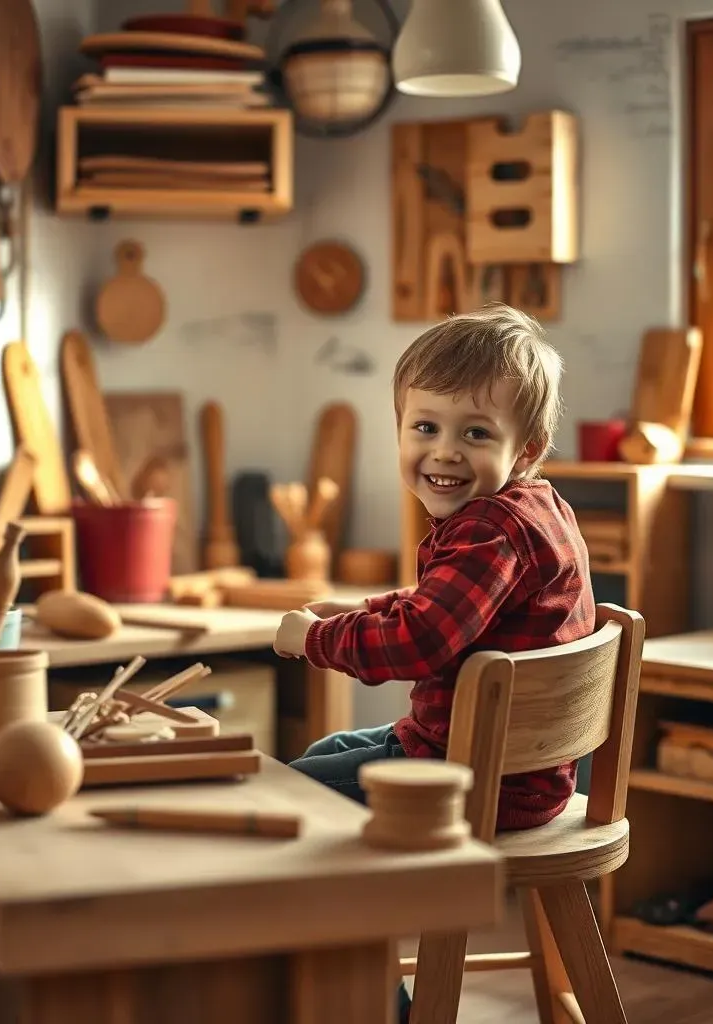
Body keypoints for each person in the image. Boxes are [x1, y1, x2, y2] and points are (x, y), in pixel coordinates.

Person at [273, 303, 596, 1022]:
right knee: (326, 754)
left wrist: (314, 641)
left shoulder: (487, 531)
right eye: (426, 428)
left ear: (527, 447)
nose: (445, 452)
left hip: (476, 781)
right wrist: (359, 610)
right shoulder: (536, 509)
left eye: (475, 433)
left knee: (288, 806)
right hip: (526, 771)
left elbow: (420, 642)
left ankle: (372, 1004)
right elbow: (440, 604)